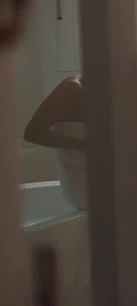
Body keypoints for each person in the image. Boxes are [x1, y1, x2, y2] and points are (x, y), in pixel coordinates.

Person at [24, 75, 88, 209]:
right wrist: (83, 145)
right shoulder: (72, 88)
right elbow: (32, 132)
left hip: (104, 181)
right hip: (84, 188)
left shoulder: (111, 92)